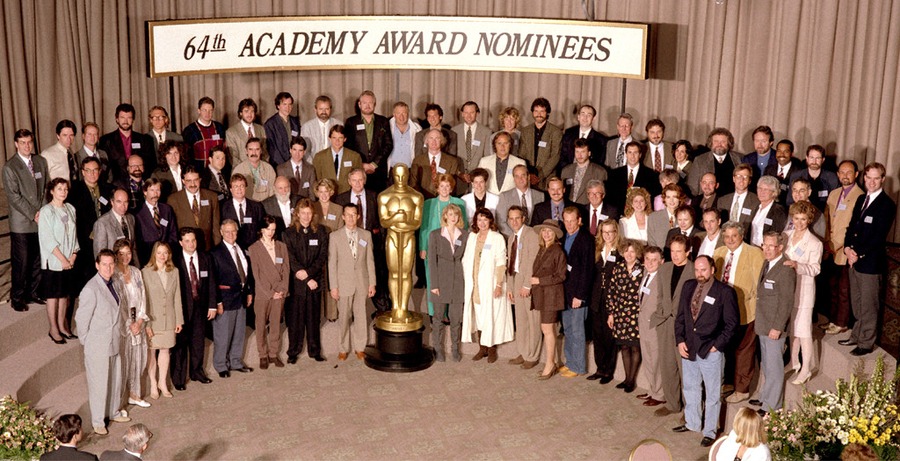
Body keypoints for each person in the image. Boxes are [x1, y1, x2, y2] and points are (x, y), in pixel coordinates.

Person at [673, 255, 739, 447]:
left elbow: (731, 324)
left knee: (712, 394)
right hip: (689, 348)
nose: (700, 274)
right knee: (690, 388)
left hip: (711, 351)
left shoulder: (725, 292)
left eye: (704, 270)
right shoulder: (688, 286)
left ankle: (709, 430)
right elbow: (680, 317)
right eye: (697, 270)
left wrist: (716, 345)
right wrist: (680, 340)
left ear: (712, 270)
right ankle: (692, 423)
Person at [841, 162, 896, 356]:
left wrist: (857, 254)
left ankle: (866, 342)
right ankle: (856, 334)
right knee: (856, 302)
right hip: (853, 259)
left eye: (876, 178)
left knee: (868, 304)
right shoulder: (861, 199)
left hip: (870, 263)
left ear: (882, 179)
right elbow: (851, 228)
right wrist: (847, 249)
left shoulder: (887, 204)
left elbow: (878, 237)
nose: (871, 182)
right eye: (868, 177)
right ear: (863, 178)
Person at [75, 249, 130, 435]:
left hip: (114, 340)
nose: (108, 268)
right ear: (97, 265)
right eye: (104, 264)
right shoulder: (91, 289)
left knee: (115, 379)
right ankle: (98, 421)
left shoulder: (114, 283)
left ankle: (113, 411)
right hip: (97, 344)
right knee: (98, 384)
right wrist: (88, 342)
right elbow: (81, 320)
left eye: (111, 264)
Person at [714, 222, 765, 404]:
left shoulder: (754, 253)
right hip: (722, 311)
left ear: (741, 236)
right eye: (726, 236)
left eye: (734, 236)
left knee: (744, 351)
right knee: (726, 348)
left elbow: (760, 285)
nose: (730, 240)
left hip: (745, 310)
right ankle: (728, 383)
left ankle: (742, 389)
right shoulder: (719, 252)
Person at [4, 129, 49, 312]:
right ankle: (17, 297)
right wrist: (34, 214)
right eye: (23, 143)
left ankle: (34, 292)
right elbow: (14, 197)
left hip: (40, 219)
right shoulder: (10, 167)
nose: (27, 146)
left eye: (29, 142)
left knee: (38, 259)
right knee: (22, 261)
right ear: (16, 144)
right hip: (22, 222)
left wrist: (44, 212)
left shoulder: (40, 161)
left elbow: (46, 187)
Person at [462, 208, 513, 362]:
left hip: (490, 284)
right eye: (479, 219)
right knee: (478, 315)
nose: (482, 223)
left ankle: (491, 349)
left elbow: (500, 262)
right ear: (475, 222)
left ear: (490, 221)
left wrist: (498, 285)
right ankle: (482, 348)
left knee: (490, 315)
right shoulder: (472, 237)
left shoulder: (497, 238)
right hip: (474, 283)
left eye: (485, 219)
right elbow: (466, 259)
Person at [652, 235, 695, 417]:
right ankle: (672, 403)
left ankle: (690, 409)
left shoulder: (694, 271)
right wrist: (661, 312)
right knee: (667, 366)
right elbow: (661, 295)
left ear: (688, 251)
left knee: (686, 369)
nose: (675, 255)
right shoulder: (664, 269)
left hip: (684, 326)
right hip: (665, 322)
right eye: (672, 251)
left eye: (679, 251)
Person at [753, 232, 796, 414]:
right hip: (764, 323)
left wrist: (778, 327)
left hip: (773, 327)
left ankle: (772, 405)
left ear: (780, 248)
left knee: (775, 367)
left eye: (771, 246)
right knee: (767, 365)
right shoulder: (767, 263)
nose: (767, 249)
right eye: (765, 245)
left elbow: (786, 302)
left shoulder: (785, 269)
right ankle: (765, 397)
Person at [328, 203, 376, 360]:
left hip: (361, 283)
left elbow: (370, 260)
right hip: (343, 284)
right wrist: (333, 287)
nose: (350, 217)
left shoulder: (366, 235)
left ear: (358, 216)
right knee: (344, 317)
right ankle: (343, 348)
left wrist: (372, 283)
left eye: (353, 214)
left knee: (361, 316)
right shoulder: (335, 237)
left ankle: (360, 347)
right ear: (342, 216)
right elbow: (332, 264)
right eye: (347, 214)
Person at [782, 201, 823, 384]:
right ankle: (794, 361)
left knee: (804, 331)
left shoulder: (814, 242)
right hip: (787, 289)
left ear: (809, 220)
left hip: (803, 291)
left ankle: (806, 368)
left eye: (803, 219)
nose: (799, 223)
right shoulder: (786, 235)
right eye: (796, 218)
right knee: (793, 330)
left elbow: (815, 269)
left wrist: (797, 265)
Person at [284, 198, 329, 363]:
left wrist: (310, 277)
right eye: (303, 213)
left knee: (313, 319)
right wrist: (305, 278)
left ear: (313, 214)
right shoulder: (287, 233)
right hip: (296, 284)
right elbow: (291, 259)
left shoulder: (321, 232)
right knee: (296, 320)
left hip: (314, 282)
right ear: (297, 214)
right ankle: (293, 352)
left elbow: (322, 257)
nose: (306, 216)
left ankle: (314, 351)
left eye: (309, 212)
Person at [171, 227, 216, 389]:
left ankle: (197, 372)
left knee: (198, 342)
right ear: (181, 243)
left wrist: (212, 305)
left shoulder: (205, 258)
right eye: (187, 241)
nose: (191, 244)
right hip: (181, 309)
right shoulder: (174, 261)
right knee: (181, 345)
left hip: (201, 307)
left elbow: (211, 283)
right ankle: (179, 378)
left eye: (194, 240)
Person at [822, 160, 863, 335]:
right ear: (837, 174)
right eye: (842, 172)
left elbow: (853, 226)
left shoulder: (860, 195)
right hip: (829, 248)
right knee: (832, 286)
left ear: (856, 174)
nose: (845, 175)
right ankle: (832, 319)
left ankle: (841, 322)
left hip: (844, 249)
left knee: (843, 289)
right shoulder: (834, 193)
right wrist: (826, 243)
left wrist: (838, 245)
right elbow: (826, 219)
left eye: (849, 172)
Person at [211, 220, 254, 377]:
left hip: (241, 298)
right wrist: (217, 302)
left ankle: (236, 361)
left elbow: (246, 274)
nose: (231, 234)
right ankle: (221, 365)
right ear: (221, 232)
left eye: (233, 231)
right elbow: (213, 282)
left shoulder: (241, 249)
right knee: (223, 335)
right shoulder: (215, 253)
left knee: (239, 333)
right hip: (225, 300)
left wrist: (249, 291)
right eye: (227, 231)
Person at [419, 174, 467, 316]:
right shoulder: (428, 203)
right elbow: (424, 227)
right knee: (433, 278)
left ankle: (448, 314)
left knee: (451, 279)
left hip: (453, 247)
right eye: (442, 186)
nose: (445, 189)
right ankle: (435, 313)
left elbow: (464, 226)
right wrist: (423, 247)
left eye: (447, 186)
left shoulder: (459, 203)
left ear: (451, 188)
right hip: (432, 246)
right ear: (437, 188)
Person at [38, 177, 79, 344]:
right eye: (60, 189)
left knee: (64, 295)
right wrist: (62, 259)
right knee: (53, 296)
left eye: (65, 189)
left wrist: (73, 256)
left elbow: (74, 235)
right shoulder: (46, 211)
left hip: (69, 260)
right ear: (52, 191)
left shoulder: (70, 208)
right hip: (54, 261)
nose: (63, 192)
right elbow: (47, 239)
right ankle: (53, 328)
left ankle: (63, 326)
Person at [427, 203, 469, 362]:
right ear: (445, 216)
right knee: (437, 318)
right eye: (450, 214)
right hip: (440, 281)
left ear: (459, 217)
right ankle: (438, 349)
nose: (453, 217)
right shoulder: (435, 234)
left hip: (458, 280)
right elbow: (432, 261)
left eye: (456, 215)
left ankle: (455, 349)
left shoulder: (464, 235)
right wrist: (434, 285)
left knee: (456, 319)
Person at [112, 239, 150, 408]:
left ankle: (135, 395)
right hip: (124, 326)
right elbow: (118, 304)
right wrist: (129, 324)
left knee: (138, 360)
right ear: (115, 255)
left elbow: (143, 296)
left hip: (138, 323)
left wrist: (140, 320)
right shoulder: (113, 275)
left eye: (128, 253)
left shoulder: (136, 272)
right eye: (121, 254)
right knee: (125, 362)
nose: (125, 257)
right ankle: (119, 403)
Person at [142, 242, 182, 399]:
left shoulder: (174, 271)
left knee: (165, 350)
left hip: (169, 319)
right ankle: (153, 383)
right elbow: (143, 300)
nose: (162, 256)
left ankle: (162, 382)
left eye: (165, 253)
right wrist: (147, 323)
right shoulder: (145, 272)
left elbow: (177, 297)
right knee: (152, 352)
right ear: (154, 254)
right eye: (159, 253)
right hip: (153, 319)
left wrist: (179, 320)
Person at [248, 216, 289, 369]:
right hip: (263, 294)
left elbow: (286, 269)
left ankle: (273, 354)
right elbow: (257, 276)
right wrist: (271, 293)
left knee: (276, 325)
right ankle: (262, 355)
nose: (270, 232)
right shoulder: (254, 248)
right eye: (267, 229)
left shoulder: (281, 246)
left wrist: (283, 290)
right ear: (261, 230)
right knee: (260, 325)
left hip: (279, 293)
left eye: (273, 229)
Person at [504, 206, 541, 369]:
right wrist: (510, 287)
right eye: (511, 219)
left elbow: (532, 262)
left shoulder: (531, 234)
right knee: (521, 320)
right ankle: (524, 351)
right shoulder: (512, 237)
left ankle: (532, 355)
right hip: (517, 279)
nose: (514, 222)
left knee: (533, 320)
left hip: (528, 281)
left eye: (517, 218)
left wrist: (527, 285)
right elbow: (510, 264)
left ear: (523, 218)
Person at [606, 239, 645, 392]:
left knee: (635, 347)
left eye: (632, 251)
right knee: (623, 346)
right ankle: (626, 378)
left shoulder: (642, 269)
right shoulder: (618, 268)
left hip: (636, 313)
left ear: (637, 253)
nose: (629, 254)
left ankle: (631, 380)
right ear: (622, 252)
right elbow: (612, 292)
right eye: (626, 251)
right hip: (620, 313)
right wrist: (611, 313)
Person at [530, 219, 567, 379]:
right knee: (547, 330)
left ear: (555, 235)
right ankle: (551, 362)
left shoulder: (557, 251)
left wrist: (540, 281)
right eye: (544, 231)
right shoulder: (542, 249)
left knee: (548, 330)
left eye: (550, 232)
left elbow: (561, 275)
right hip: (542, 295)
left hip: (551, 295)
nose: (546, 234)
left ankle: (550, 364)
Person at [587, 219, 621, 384]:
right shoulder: (597, 250)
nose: (607, 235)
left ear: (616, 233)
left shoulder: (620, 252)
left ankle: (608, 371)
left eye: (610, 232)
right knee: (598, 335)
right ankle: (599, 368)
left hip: (611, 300)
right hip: (596, 298)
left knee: (609, 336)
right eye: (604, 232)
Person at [344, 90, 393, 191]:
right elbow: (348, 146)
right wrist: (361, 164)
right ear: (359, 104)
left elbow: (388, 145)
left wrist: (374, 164)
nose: (367, 105)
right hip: (358, 170)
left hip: (379, 171)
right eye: (364, 103)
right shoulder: (351, 122)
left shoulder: (383, 121)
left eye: (370, 103)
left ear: (375, 104)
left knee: (377, 201)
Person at [167, 165, 221, 251]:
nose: (193, 184)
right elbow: (172, 231)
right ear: (183, 181)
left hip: (207, 249)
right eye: (189, 181)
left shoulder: (212, 197)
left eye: (195, 180)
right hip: (184, 251)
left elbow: (216, 228)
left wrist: (218, 250)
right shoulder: (173, 200)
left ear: (200, 179)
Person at [637, 246, 665, 405]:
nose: (650, 262)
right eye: (647, 259)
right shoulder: (646, 274)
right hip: (644, 324)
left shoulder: (661, 279)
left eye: (654, 260)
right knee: (648, 360)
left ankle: (659, 394)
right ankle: (652, 390)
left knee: (656, 362)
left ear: (661, 261)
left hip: (654, 326)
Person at [99, 103, 156, 183]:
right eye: (122, 117)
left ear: (133, 119)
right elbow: (104, 167)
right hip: (115, 185)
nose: (125, 121)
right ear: (117, 119)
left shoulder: (145, 140)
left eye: (129, 117)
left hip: (141, 184)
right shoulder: (106, 140)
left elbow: (151, 164)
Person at [314, 178, 343, 322]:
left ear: (331, 192)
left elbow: (340, 230)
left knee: (332, 281)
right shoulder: (312, 207)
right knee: (318, 281)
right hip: (316, 251)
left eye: (327, 191)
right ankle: (317, 314)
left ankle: (332, 314)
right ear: (317, 192)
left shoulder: (338, 209)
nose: (324, 194)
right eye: (321, 191)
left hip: (333, 250)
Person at [518, 97, 562, 188]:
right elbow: (522, 155)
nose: (539, 114)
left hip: (547, 178)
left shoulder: (555, 132)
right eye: (536, 111)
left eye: (542, 111)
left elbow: (555, 156)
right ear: (532, 112)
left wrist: (539, 175)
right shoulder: (525, 131)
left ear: (547, 112)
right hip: (528, 178)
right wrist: (529, 174)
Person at [685, 127, 743, 197]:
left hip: (733, 201)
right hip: (708, 203)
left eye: (723, 141)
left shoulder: (739, 158)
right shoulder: (700, 160)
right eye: (716, 141)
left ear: (729, 143)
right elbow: (692, 187)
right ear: (711, 143)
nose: (719, 145)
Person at [133, 178, 178, 266]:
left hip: (166, 258)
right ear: (145, 192)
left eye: (158, 190)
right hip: (147, 258)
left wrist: (167, 252)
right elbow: (137, 240)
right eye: (152, 190)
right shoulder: (137, 213)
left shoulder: (167, 209)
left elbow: (173, 233)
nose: (155, 193)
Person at [607, 141, 661, 211]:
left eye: (635, 153)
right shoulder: (614, 174)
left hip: (641, 214)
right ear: (626, 154)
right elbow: (610, 197)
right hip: (619, 214)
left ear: (640, 155)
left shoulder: (651, 175)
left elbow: (653, 198)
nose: (632, 156)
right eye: (630, 152)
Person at [452, 101, 492, 194]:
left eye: (472, 112)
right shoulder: (454, 131)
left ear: (477, 113)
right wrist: (459, 173)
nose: (468, 116)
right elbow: (451, 157)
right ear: (462, 114)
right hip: (458, 180)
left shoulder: (486, 132)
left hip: (478, 181)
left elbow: (487, 157)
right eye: (466, 113)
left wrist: (476, 175)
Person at [409, 128, 461, 199]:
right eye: (431, 138)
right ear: (426, 141)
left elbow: (452, 185)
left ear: (442, 141)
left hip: (444, 201)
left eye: (437, 138)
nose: (434, 141)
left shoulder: (452, 161)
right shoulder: (417, 161)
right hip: (423, 201)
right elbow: (413, 184)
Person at [93, 188, 139, 266]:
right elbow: (99, 255)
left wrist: (138, 266)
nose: (123, 206)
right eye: (119, 202)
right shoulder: (102, 223)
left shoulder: (131, 218)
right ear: (112, 202)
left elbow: (133, 247)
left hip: (130, 268)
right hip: (113, 270)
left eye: (126, 202)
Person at [220, 173, 266, 251]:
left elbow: (262, 229)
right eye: (236, 186)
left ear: (246, 188)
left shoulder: (257, 207)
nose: (239, 189)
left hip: (254, 249)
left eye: (242, 186)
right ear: (231, 189)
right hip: (232, 249)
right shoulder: (223, 207)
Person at [312, 125, 363, 195]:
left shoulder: (354, 156)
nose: (337, 141)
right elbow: (316, 181)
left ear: (345, 139)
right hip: (327, 197)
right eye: (334, 138)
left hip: (347, 197)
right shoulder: (319, 157)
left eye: (340, 138)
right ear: (329, 138)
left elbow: (359, 179)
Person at [496, 164, 544, 236]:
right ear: (514, 179)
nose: (520, 179)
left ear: (528, 177)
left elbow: (541, 221)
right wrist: (516, 237)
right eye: (517, 176)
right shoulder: (504, 196)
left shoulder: (540, 196)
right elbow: (501, 222)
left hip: (534, 238)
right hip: (512, 239)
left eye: (523, 175)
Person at [787, 144, 839, 210]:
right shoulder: (796, 176)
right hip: (800, 214)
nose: (814, 162)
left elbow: (835, 202)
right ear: (807, 158)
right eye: (811, 157)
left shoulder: (832, 177)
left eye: (818, 158)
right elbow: (790, 201)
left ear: (823, 160)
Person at [476, 131, 526, 196]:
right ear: (494, 145)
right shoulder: (484, 162)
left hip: (511, 202)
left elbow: (524, 188)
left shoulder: (520, 163)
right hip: (488, 202)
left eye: (505, 143)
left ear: (510, 145)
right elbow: (476, 184)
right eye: (499, 143)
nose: (502, 146)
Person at [182, 96, 226, 170]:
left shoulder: (219, 128)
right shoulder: (189, 130)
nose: (207, 113)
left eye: (210, 110)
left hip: (218, 170)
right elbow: (186, 155)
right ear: (199, 111)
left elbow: (224, 150)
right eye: (204, 110)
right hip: (198, 171)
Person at [560, 138, 607, 205]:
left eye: (583, 152)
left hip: (587, 209)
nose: (579, 155)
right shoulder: (566, 170)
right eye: (577, 152)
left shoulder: (600, 172)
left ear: (589, 153)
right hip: (569, 208)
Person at [558, 104, 604, 171]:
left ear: (593, 119)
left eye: (589, 115)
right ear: (578, 117)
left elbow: (599, 162)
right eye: (583, 114)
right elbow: (562, 156)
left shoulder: (601, 140)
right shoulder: (568, 133)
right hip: (567, 173)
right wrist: (568, 171)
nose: (585, 118)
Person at [717, 164, 760, 234]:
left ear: (749, 181)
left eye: (745, 177)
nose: (741, 180)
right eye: (739, 176)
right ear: (733, 179)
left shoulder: (756, 201)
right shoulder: (722, 201)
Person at [226, 98, 268, 167]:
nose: (249, 114)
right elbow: (233, 158)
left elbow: (265, 152)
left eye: (252, 111)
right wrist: (246, 170)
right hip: (241, 172)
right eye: (246, 111)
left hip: (260, 170)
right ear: (240, 113)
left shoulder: (261, 129)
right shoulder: (231, 132)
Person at [749, 176, 787, 246]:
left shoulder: (778, 211)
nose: (761, 192)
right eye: (760, 188)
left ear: (774, 193)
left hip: (767, 250)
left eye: (766, 189)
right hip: (752, 248)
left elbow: (777, 234)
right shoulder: (755, 206)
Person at [265, 92, 302, 166]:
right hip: (278, 164)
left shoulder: (295, 121)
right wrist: (284, 165)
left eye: (290, 104)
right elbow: (272, 149)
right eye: (284, 104)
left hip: (295, 162)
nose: (287, 108)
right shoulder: (270, 124)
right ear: (278, 106)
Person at [764, 139, 802, 204]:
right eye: (779, 151)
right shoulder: (769, 169)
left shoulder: (799, 172)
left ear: (791, 154)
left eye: (786, 152)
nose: (782, 154)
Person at [387, 101, 422, 170]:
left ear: (408, 114)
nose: (401, 117)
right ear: (394, 114)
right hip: (391, 168)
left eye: (404, 113)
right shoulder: (386, 127)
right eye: (398, 113)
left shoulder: (417, 129)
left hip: (410, 169)